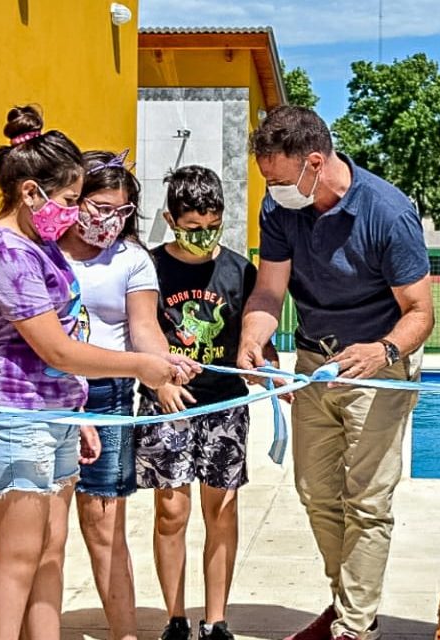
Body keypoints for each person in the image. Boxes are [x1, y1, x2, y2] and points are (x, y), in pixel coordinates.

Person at [0, 106, 199, 640]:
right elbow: (59, 351)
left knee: (48, 554)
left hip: (55, 414)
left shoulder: (38, 248)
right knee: (18, 559)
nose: (72, 215)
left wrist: (76, 411)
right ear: (30, 193)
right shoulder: (6, 252)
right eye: (71, 201)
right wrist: (146, 367)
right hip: (16, 418)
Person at [236, 106, 434, 640]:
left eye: (279, 179)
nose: (272, 189)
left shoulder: (387, 212)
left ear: (315, 163)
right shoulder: (280, 208)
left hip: (377, 366)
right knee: (316, 491)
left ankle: (352, 626)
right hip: (313, 364)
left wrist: (384, 352)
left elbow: (420, 312)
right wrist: (254, 338)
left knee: (367, 499)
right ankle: (351, 604)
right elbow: (269, 290)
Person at [136, 165, 271, 640]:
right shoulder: (148, 267)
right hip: (166, 404)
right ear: (172, 219)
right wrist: (160, 384)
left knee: (223, 511)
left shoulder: (238, 269)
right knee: (171, 512)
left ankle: (216, 620)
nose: (204, 236)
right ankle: (175, 617)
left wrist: (263, 364)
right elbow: (139, 335)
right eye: (193, 227)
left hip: (224, 406)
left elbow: (255, 337)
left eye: (212, 226)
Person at [59, 149, 169, 640]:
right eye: (100, 206)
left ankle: (124, 633)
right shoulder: (40, 249)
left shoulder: (132, 260)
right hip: (47, 394)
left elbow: (143, 328)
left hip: (107, 396)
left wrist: (160, 371)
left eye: (122, 211)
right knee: (42, 533)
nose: (110, 220)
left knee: (105, 528)